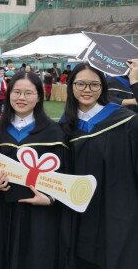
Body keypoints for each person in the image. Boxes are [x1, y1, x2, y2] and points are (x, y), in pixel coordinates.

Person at [0, 71, 69, 269]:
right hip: (5, 212)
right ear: (8, 95)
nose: (21, 98)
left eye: (28, 93)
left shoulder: (54, 132)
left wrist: (50, 199)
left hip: (40, 216)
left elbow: (65, 176)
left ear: (39, 96)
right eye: (16, 92)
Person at [60, 63, 138, 268]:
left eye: (94, 84)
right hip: (79, 207)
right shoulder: (65, 125)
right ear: (71, 86)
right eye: (81, 84)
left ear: (103, 87)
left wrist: (136, 82)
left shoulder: (124, 120)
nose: (87, 90)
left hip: (116, 204)